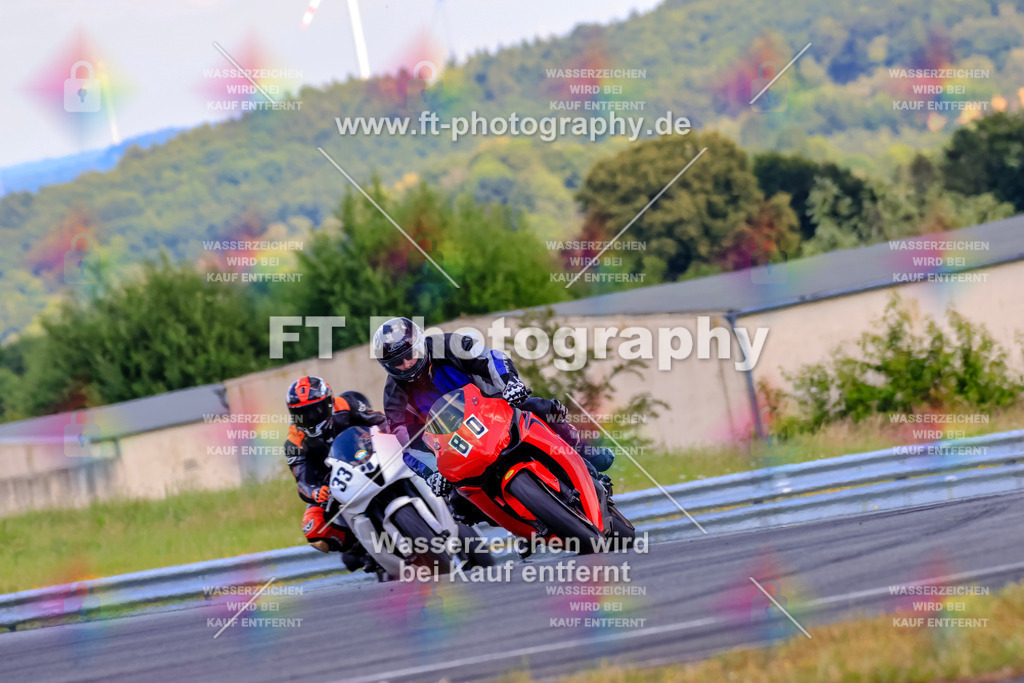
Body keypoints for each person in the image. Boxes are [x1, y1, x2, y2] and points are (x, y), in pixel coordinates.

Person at [371, 317, 615, 522]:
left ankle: (585, 457)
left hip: (494, 408)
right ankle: (524, 523)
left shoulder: (450, 345)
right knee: (460, 507)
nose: (406, 364)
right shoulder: (394, 397)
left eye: (410, 354)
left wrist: (510, 383)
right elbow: (408, 444)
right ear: (386, 366)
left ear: (420, 344)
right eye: (396, 363)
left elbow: (491, 358)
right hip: (457, 446)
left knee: (540, 408)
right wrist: (432, 472)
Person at [283, 376, 385, 568]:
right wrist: (315, 492)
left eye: (316, 409)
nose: (311, 417)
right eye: (302, 414)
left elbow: (378, 419)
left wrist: (395, 430)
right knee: (312, 527)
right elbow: (302, 482)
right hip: (333, 485)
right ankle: (362, 551)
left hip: (370, 459)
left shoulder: (345, 404)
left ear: (329, 402)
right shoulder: (294, 441)